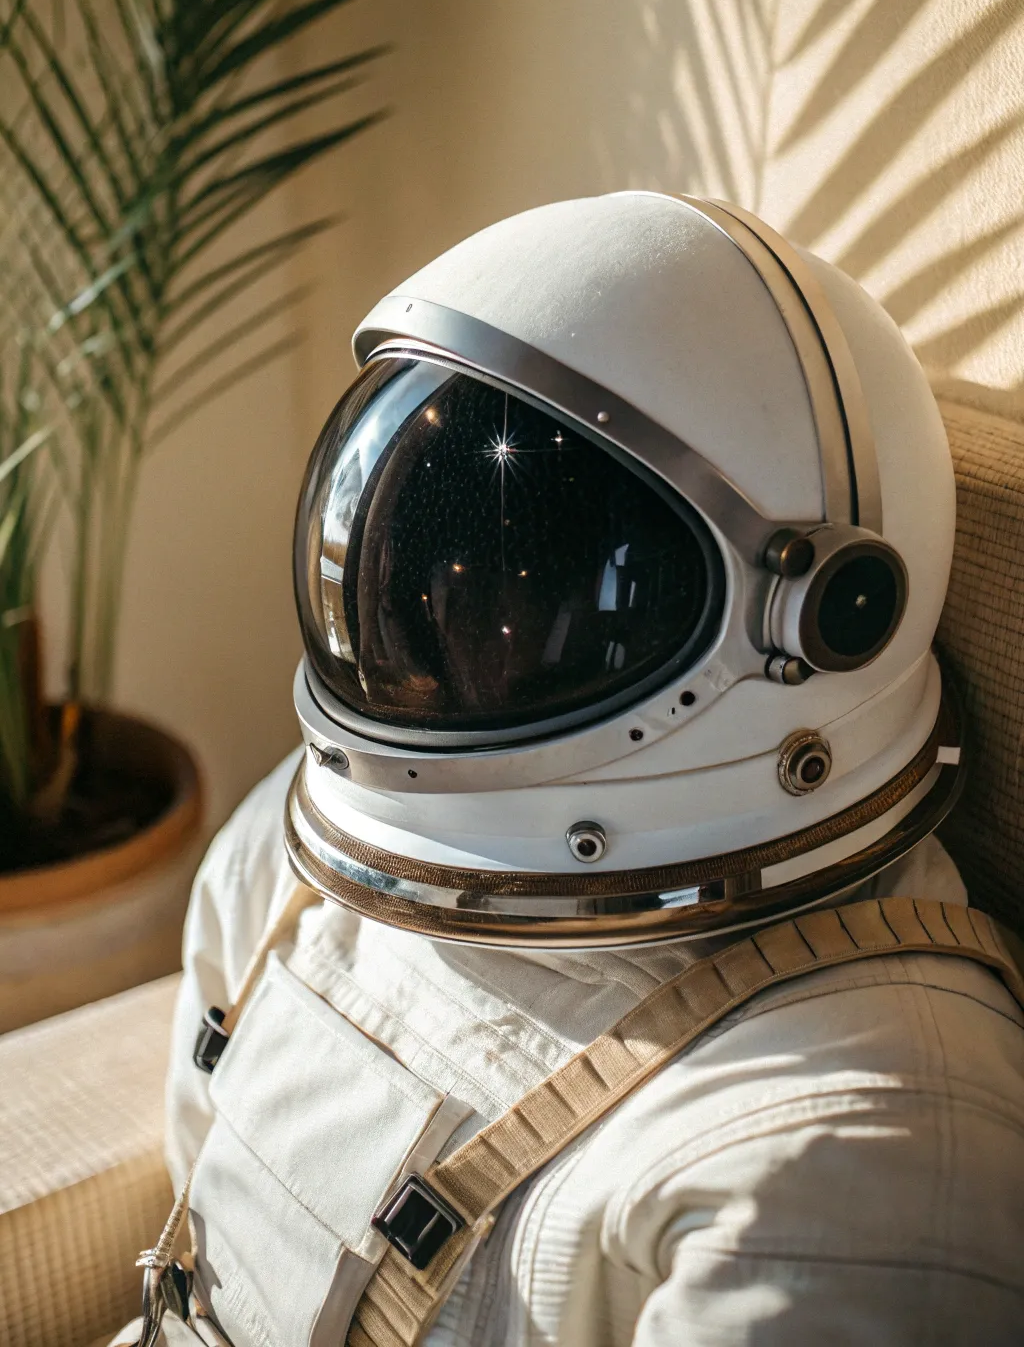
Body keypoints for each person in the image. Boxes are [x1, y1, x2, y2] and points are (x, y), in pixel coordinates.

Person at [114, 193, 1024, 1347]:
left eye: (542, 572)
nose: (459, 616)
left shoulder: (858, 1145)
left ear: (823, 617)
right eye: (445, 562)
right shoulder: (287, 853)